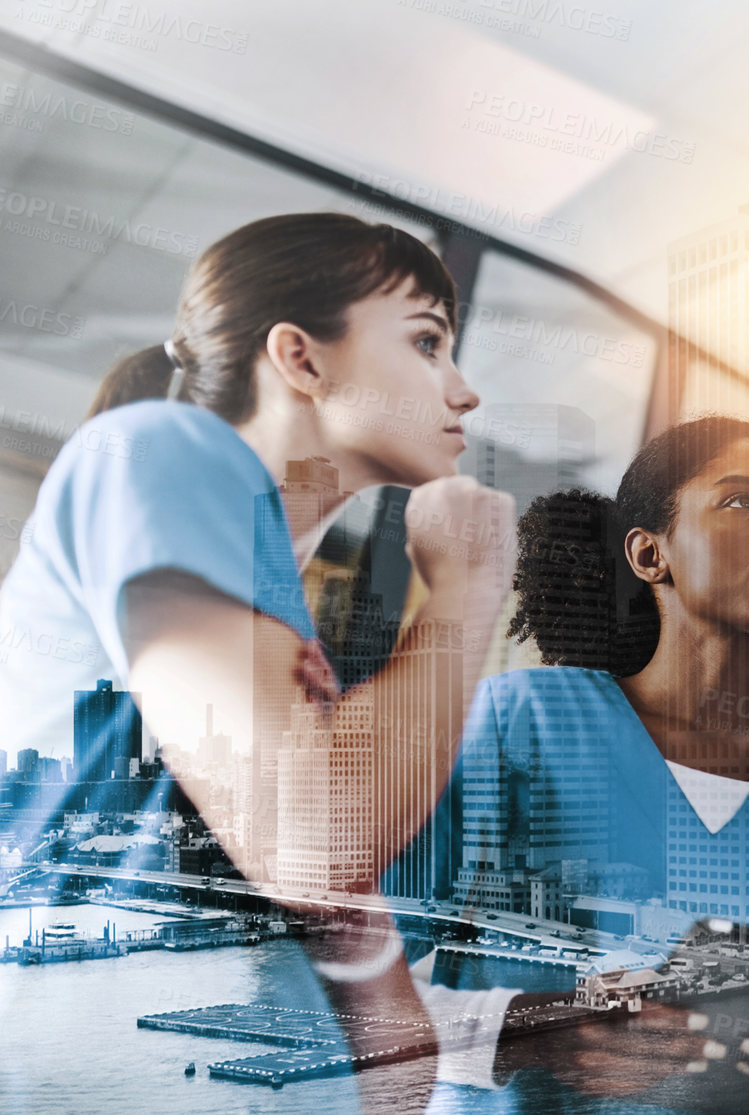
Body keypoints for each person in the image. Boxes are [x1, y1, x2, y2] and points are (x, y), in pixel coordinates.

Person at [0, 212, 515, 1109]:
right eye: (427, 342)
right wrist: (466, 592)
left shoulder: (307, 676)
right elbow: (315, 847)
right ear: (301, 358)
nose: (463, 391)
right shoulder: (169, 446)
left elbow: (397, 1076)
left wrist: (350, 911)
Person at [410, 414, 749, 1114]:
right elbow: (334, 984)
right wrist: (525, 1030)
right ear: (651, 555)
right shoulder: (518, 723)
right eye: (742, 500)